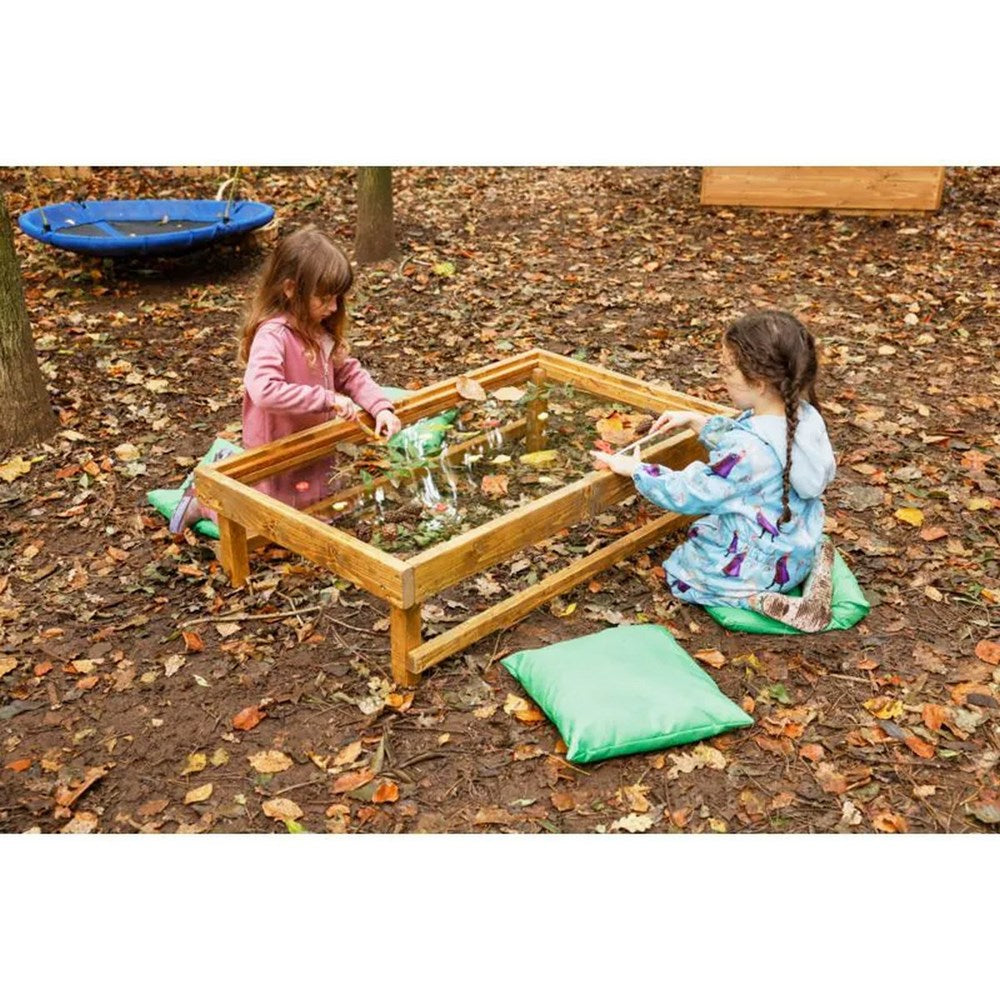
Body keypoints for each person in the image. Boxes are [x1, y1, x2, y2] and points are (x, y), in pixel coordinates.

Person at [592, 310, 837, 632]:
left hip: (758, 567)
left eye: (727, 369)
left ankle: (757, 600)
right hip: (795, 549)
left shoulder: (748, 449)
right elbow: (753, 453)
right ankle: (815, 570)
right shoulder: (803, 415)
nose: (722, 376)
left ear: (759, 383)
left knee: (682, 572)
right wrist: (698, 422)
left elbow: (693, 492)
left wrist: (638, 470)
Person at [170, 226, 401, 531]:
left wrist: (380, 407)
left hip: (314, 444)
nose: (334, 307)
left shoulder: (320, 327)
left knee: (319, 512)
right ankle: (204, 499)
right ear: (291, 289)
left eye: (337, 298)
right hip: (276, 448)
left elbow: (348, 372)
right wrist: (326, 399)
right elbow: (263, 389)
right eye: (325, 298)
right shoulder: (273, 335)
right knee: (263, 523)